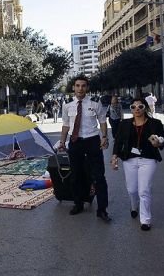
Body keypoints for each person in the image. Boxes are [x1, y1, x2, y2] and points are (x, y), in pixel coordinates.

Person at [58, 75, 111, 222]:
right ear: (73, 87)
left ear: (87, 88)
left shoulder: (95, 102)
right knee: (76, 175)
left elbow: (102, 121)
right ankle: (78, 203)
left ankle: (102, 209)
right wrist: (62, 141)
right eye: (77, 85)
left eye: (83, 86)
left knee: (99, 176)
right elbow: (66, 124)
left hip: (92, 141)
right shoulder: (67, 104)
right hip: (75, 141)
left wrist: (104, 137)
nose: (80, 88)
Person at [111, 98, 164, 231]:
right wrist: (114, 157)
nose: (137, 109)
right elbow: (118, 142)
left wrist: (158, 143)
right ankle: (134, 205)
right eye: (133, 107)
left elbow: (163, 141)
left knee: (144, 190)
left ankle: (145, 220)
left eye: (140, 106)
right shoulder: (124, 124)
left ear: (145, 108)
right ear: (130, 109)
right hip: (129, 159)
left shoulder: (155, 123)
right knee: (131, 189)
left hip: (148, 159)